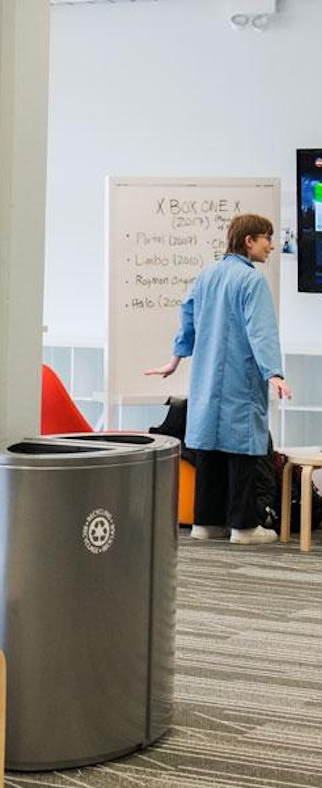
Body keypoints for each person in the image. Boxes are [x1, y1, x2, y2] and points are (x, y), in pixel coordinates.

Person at [145, 213, 293, 545]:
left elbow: (187, 318)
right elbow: (261, 332)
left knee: (209, 447)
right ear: (249, 241)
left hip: (206, 379)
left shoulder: (206, 275)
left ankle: (206, 523)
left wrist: (174, 360)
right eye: (267, 238)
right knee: (243, 449)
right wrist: (274, 372)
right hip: (241, 379)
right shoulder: (252, 281)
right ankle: (244, 527)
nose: (271, 245)